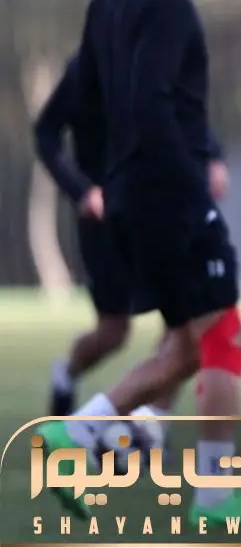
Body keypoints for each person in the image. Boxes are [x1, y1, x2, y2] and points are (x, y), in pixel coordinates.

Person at [35, 0, 241, 529]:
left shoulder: (108, 2)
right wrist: (192, 189)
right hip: (167, 195)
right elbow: (151, 104)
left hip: (127, 194)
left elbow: (94, 99)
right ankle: (213, 493)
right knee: (222, 335)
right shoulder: (172, 7)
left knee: (187, 344)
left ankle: (82, 435)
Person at [35, 54, 229, 428]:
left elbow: (187, 116)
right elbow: (46, 134)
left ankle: (147, 425)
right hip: (106, 219)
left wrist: (214, 159)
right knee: (113, 333)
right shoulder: (84, 70)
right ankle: (68, 375)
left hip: (160, 212)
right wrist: (81, 191)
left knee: (185, 328)